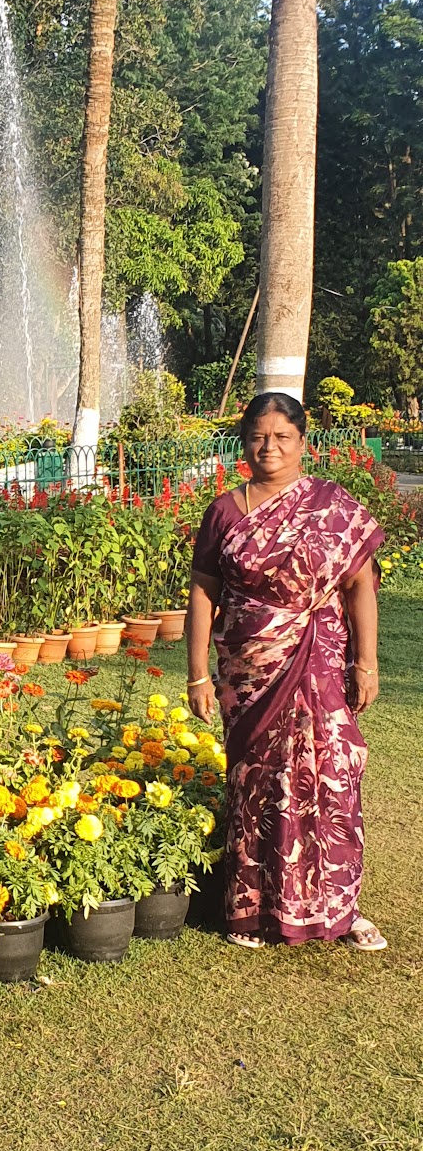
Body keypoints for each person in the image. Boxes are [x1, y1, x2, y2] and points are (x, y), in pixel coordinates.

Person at [186, 392, 386, 951]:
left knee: (332, 777)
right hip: (250, 667)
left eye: (282, 437)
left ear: (303, 442)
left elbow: (358, 588)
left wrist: (365, 663)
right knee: (256, 781)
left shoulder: (332, 505)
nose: (268, 447)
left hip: (320, 659)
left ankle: (339, 910)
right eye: (258, 436)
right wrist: (198, 673)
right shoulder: (225, 511)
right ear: (244, 441)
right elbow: (204, 595)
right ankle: (253, 910)